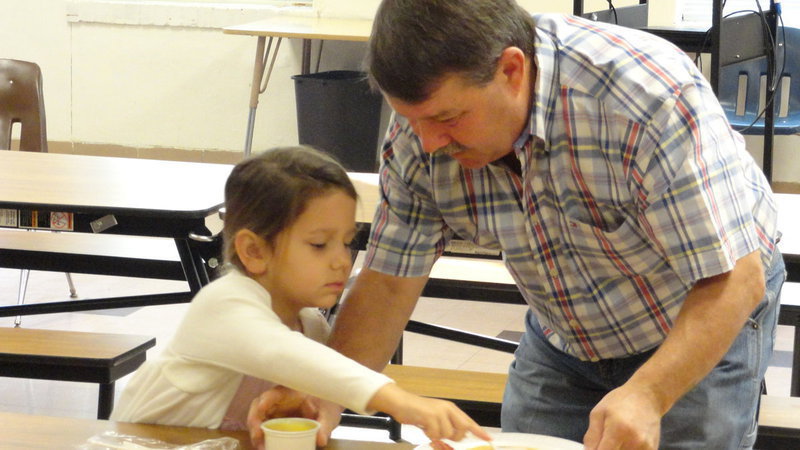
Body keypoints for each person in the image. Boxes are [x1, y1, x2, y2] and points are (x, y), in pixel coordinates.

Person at [247, 1, 786, 449]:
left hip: (701, 308)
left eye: (447, 118)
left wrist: (647, 393)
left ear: (511, 69)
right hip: (566, 330)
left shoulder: (640, 97)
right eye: (412, 119)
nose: (429, 142)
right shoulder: (420, 137)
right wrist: (321, 392)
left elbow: (734, 278)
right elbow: (386, 284)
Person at [110, 146, 489, 446]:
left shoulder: (308, 324)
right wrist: (403, 402)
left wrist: (304, 403)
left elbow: (312, 379)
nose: (342, 261)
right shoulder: (224, 304)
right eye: (320, 244)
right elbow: (281, 353)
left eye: (346, 242)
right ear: (254, 251)